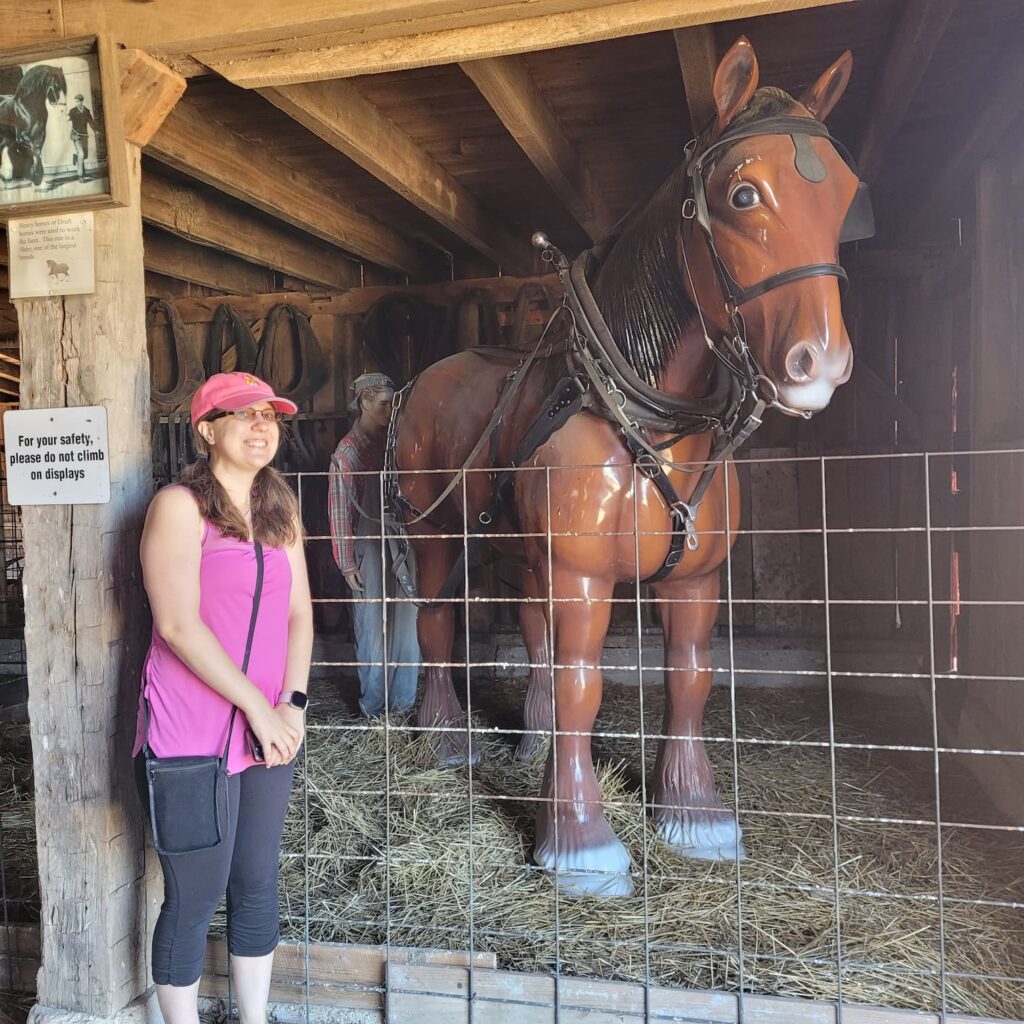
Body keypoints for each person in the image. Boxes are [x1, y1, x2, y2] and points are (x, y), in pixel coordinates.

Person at [132, 371, 313, 1024]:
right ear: (207, 430)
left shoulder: (280, 507)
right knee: (194, 896)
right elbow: (178, 624)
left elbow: (300, 615)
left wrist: (291, 700)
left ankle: (253, 1017)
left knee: (257, 881)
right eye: (244, 415)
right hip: (190, 733)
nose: (262, 426)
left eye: (271, 415)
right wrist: (259, 708)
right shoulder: (179, 507)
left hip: (267, 727)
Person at [328, 372, 419, 717]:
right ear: (364, 404)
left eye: (392, 405)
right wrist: (346, 561)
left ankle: (403, 705)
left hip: (402, 540)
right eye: (383, 405)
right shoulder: (347, 453)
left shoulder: (395, 445)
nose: (388, 411)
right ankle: (374, 708)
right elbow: (339, 508)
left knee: (407, 624)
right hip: (367, 545)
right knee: (372, 626)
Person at [67, 93, 95, 182]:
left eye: (78, 101)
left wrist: (96, 130)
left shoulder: (87, 111)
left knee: (84, 155)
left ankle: (75, 157)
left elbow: (91, 122)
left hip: (84, 135)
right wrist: (66, 118)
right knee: (81, 154)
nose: (76, 103)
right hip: (76, 135)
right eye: (75, 101)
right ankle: (80, 176)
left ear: (82, 101)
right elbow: (68, 119)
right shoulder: (72, 111)